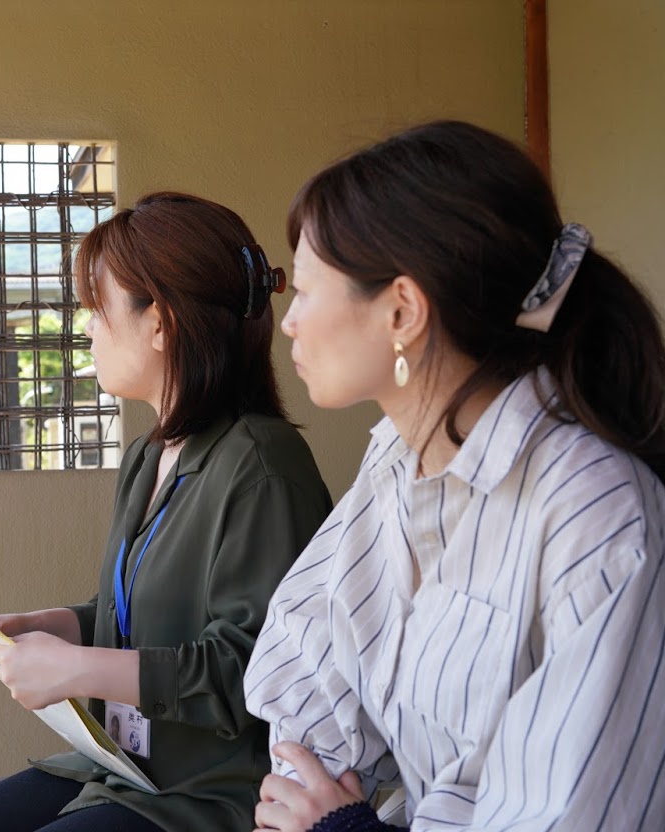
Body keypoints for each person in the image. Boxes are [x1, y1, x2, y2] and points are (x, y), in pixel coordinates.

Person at [243, 121, 665, 831]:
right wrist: (304, 793)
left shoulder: (594, 511)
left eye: (307, 290)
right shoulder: (396, 462)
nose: (289, 324)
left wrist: (344, 829)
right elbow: (307, 674)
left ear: (402, 311)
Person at [0, 192, 333, 832]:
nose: (85, 325)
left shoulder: (261, 462)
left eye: (97, 306)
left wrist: (76, 670)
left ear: (161, 321)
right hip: (118, 767)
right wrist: (37, 626)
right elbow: (132, 617)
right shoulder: (149, 454)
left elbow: (253, 669)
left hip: (206, 797)